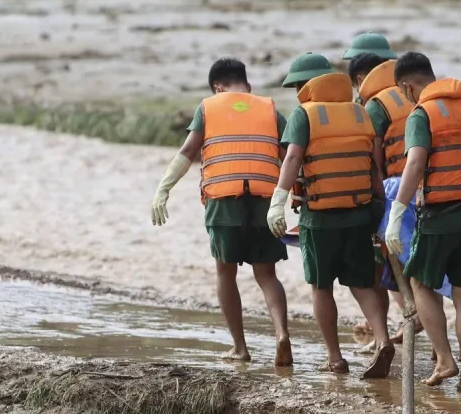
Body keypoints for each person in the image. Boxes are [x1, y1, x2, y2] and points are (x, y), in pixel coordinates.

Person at [150, 58, 293, 367]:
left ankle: (240, 348)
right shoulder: (269, 108)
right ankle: (281, 334)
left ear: (217, 88)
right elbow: (290, 156)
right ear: (247, 84)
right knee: (267, 274)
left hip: (224, 199)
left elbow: (189, 151)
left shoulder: (208, 107)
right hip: (265, 201)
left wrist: (163, 189)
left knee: (225, 272)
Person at [266, 52, 395, 378]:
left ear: (304, 85)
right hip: (359, 213)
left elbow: (293, 157)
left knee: (321, 287)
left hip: (319, 218)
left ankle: (335, 358)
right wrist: (378, 211)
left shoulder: (303, 115)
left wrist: (277, 201)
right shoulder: (359, 112)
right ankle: (382, 340)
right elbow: (372, 168)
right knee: (363, 284)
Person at [385, 52, 461, 392]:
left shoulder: (422, 113)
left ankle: (445, 359)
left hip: (439, 214)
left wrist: (397, 213)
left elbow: (416, 162)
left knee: (420, 283)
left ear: (407, 86)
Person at [348, 52, 428, 344]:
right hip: (432, 191)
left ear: (360, 80)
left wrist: (377, 203)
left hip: (397, 193)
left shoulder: (376, 107)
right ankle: (435, 342)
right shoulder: (416, 92)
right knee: (426, 265)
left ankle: (414, 319)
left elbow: (375, 161)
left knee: (399, 264)